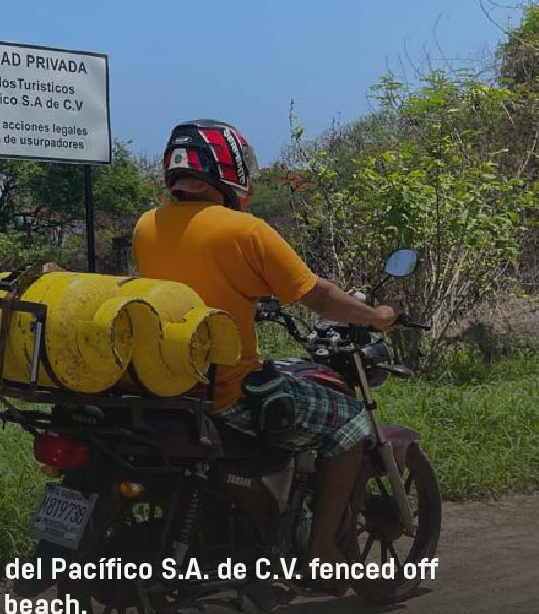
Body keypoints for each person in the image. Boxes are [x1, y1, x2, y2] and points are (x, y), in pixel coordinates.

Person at [132, 120, 398, 575]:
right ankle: (321, 552)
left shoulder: (146, 225)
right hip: (226, 391)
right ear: (227, 168)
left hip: (166, 384)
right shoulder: (245, 230)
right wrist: (378, 317)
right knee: (351, 423)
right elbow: (315, 295)